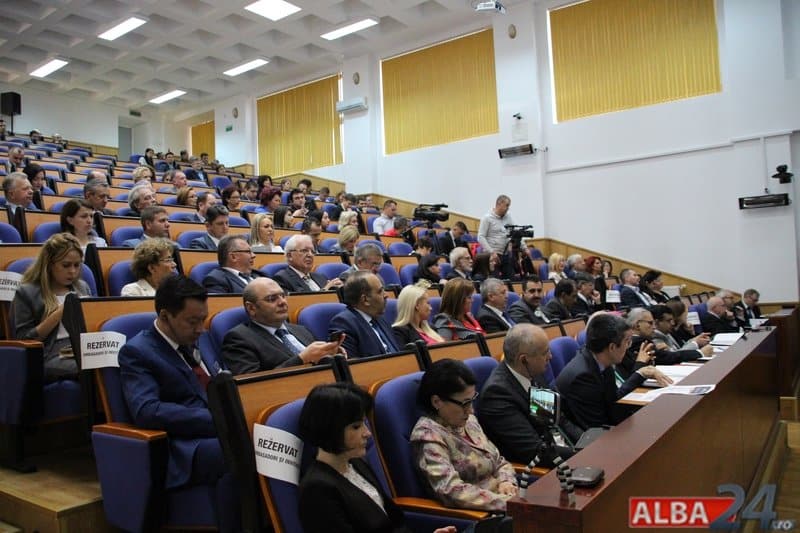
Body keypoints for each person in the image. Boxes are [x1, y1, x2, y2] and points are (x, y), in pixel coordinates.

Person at [117, 275, 238, 532]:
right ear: (165, 316)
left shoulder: (200, 336)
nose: (201, 328)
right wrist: (218, 420)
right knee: (238, 452)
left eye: (204, 319)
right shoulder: (137, 352)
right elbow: (147, 411)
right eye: (193, 321)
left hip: (224, 426)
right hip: (185, 445)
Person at [298, 382, 458, 533]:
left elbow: (395, 523)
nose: (367, 433)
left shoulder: (355, 463)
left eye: (364, 423)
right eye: (356, 427)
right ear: (330, 430)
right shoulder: (317, 490)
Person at [411, 359, 518, 511]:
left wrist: (506, 482)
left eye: (472, 401)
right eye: (464, 403)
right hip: (481, 514)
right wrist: (509, 503)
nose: (471, 410)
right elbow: (452, 491)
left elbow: (499, 461)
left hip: (508, 500)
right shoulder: (428, 436)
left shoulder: (469, 421)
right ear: (436, 402)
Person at [479, 324, 583, 467]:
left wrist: (586, 441)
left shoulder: (533, 373)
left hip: (563, 451)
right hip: (541, 469)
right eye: (545, 353)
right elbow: (534, 450)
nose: (550, 356)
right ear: (524, 359)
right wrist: (581, 455)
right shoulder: (497, 395)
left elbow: (560, 420)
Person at [555, 313, 671, 429]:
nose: (628, 346)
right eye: (627, 341)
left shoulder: (601, 360)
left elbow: (613, 401)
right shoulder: (583, 377)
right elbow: (598, 427)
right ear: (612, 347)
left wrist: (641, 374)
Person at [12, 233, 91, 382]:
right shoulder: (27, 292)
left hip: (82, 349)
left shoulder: (82, 287)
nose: (73, 271)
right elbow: (24, 340)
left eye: (77, 265)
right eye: (66, 265)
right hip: (51, 354)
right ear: (49, 264)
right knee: (90, 369)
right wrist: (59, 313)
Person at [222, 278, 344, 374]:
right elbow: (253, 386)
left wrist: (330, 354)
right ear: (251, 308)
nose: (282, 302)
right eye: (272, 299)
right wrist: (301, 360)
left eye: (282, 295)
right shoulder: (238, 339)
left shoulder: (301, 330)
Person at [328, 271, 400, 357]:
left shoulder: (380, 318)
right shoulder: (344, 323)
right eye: (380, 291)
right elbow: (353, 363)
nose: (386, 295)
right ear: (365, 300)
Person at [273, 235, 342, 292]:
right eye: (304, 250)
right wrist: (325, 290)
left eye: (312, 251)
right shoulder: (282, 279)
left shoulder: (320, 277)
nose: (310, 255)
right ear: (289, 256)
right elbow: (301, 302)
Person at [202, 235, 267, 294]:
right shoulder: (216, 280)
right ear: (233, 257)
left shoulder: (259, 275)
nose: (253, 255)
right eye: (248, 252)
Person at [392, 282, 446, 346]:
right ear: (417, 305)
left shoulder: (431, 328)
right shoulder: (400, 332)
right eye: (428, 303)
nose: (431, 308)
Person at [477, 195, 513, 276]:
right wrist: (492, 252)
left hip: (505, 254)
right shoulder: (487, 218)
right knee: (495, 279)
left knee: (510, 278)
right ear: (499, 204)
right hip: (492, 255)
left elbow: (512, 231)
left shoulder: (508, 217)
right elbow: (480, 237)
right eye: (506, 205)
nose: (508, 208)